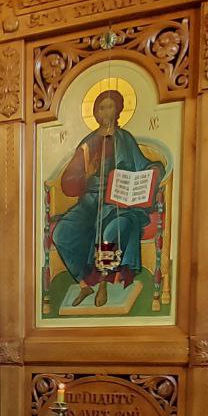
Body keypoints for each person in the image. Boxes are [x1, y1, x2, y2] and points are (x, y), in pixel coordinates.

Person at [52, 89, 163, 308]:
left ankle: (103, 282)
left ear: (118, 109)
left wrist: (155, 170)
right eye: (102, 108)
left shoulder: (125, 139)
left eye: (110, 107)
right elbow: (68, 181)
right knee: (61, 233)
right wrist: (87, 176)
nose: (106, 112)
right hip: (90, 203)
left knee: (109, 233)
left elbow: (142, 165)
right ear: (95, 112)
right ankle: (84, 283)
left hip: (119, 204)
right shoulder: (88, 143)